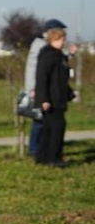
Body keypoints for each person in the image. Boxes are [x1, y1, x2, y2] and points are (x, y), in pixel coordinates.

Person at [24, 19, 65, 157]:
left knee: (43, 121)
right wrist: (33, 89)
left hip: (43, 88)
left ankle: (39, 149)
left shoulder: (47, 47)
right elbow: (35, 69)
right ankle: (34, 148)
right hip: (39, 88)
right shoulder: (41, 47)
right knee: (39, 120)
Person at [34, 26, 73, 167]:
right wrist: (43, 99)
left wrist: (69, 93)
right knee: (57, 128)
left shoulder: (58, 55)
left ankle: (42, 157)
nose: (63, 42)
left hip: (58, 98)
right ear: (54, 39)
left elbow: (62, 76)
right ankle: (54, 157)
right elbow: (42, 78)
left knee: (48, 129)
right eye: (61, 39)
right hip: (51, 99)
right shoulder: (48, 55)